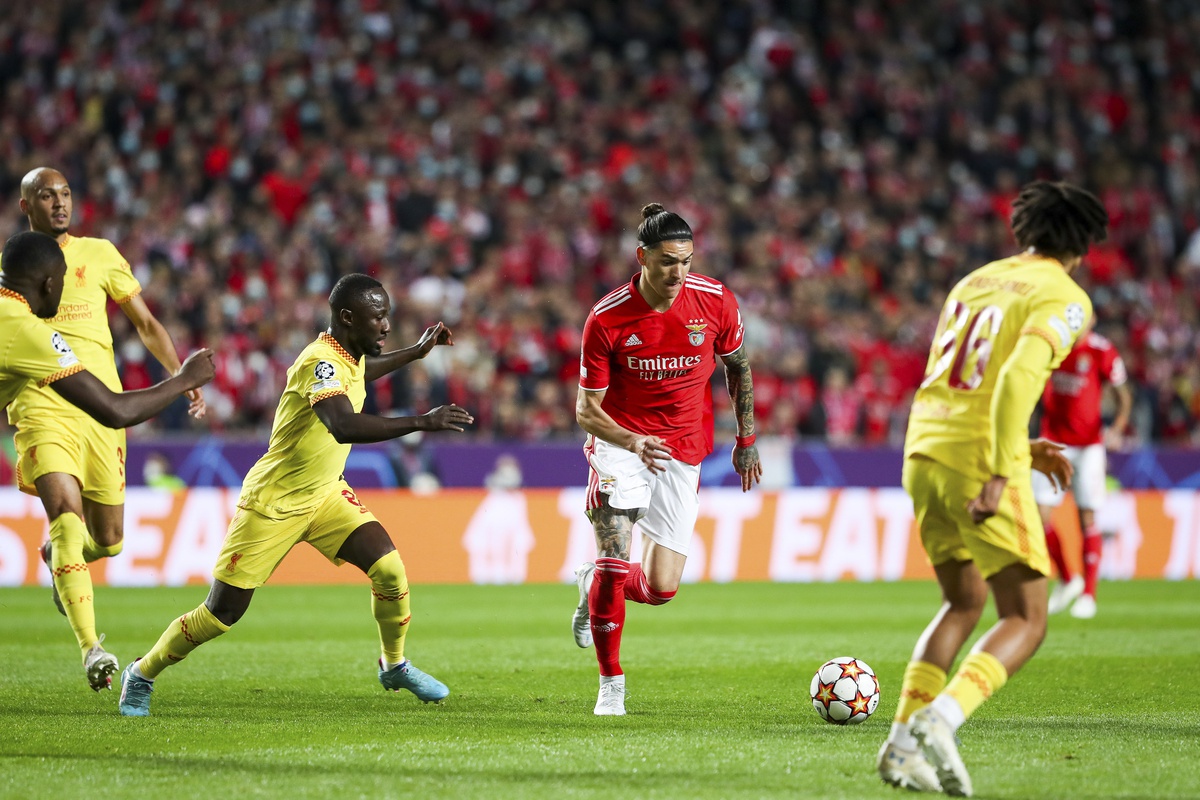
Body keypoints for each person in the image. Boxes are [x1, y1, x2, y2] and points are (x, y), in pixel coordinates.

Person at [117, 273, 474, 717]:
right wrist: (421, 421)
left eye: (387, 316)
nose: (385, 325)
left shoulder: (349, 355)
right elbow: (343, 424)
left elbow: (365, 371)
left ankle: (394, 664)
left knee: (390, 570)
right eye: (377, 317)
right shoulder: (318, 362)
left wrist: (416, 353)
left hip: (325, 495)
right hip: (274, 503)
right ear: (347, 317)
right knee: (221, 614)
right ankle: (142, 673)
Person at [877, 181, 1108, 796]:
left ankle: (900, 749)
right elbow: (1015, 378)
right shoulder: (1064, 295)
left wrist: (1019, 446)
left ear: (1022, 232)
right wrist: (1004, 469)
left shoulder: (975, 280)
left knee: (963, 602)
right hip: (980, 462)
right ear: (1082, 244)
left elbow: (955, 377)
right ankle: (942, 718)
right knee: (1028, 616)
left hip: (925, 449)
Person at [6, 167, 206, 687]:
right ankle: (92, 648)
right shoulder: (13, 271)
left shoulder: (100, 253)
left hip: (102, 406)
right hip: (42, 402)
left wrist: (178, 375)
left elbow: (144, 322)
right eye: (46, 196)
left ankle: (60, 559)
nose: (59, 203)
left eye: (66, 193)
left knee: (109, 540)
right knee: (66, 519)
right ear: (25, 206)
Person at [570, 203, 762, 716]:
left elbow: (739, 368)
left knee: (660, 588)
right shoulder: (607, 318)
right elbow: (586, 410)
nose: (678, 272)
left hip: (681, 449)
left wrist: (746, 438)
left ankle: (591, 585)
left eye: (686, 261)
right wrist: (631, 442)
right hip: (620, 444)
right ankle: (612, 684)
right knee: (616, 560)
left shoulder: (715, 301)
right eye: (667, 262)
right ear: (642, 258)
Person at [1033, 326, 1132, 620]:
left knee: (1086, 517)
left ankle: (1089, 593)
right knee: (1040, 517)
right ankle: (1067, 579)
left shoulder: (1101, 350)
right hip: (1052, 443)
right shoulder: (1052, 345)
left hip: (1089, 446)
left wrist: (1117, 428)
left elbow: (1123, 395)